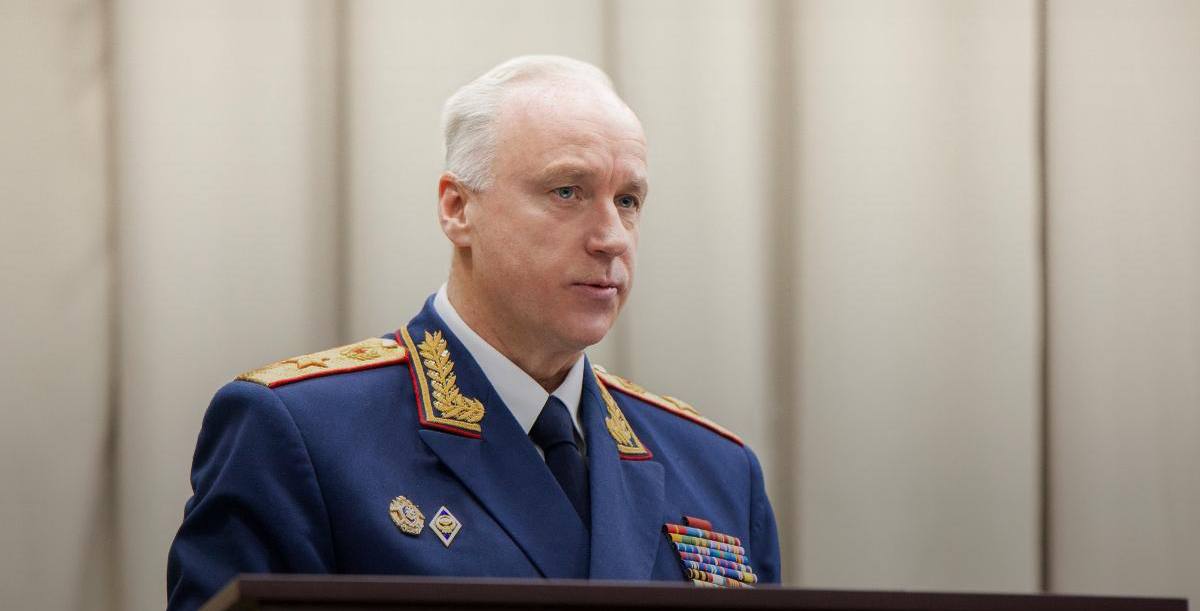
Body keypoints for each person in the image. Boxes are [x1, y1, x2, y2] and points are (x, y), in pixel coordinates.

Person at [166, 55, 780, 610]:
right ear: (458, 209)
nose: (611, 238)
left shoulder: (716, 468)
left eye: (628, 201)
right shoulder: (300, 432)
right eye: (567, 192)